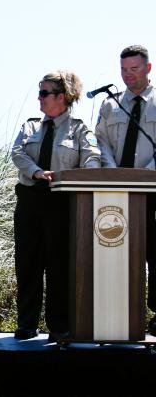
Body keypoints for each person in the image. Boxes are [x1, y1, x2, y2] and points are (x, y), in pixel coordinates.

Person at [11, 72, 101, 343]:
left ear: (61, 97)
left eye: (44, 93)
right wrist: (37, 172)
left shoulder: (79, 128)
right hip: (30, 200)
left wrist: (86, 177)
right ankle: (27, 324)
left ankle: (59, 325)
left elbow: (92, 158)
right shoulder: (31, 126)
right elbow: (17, 153)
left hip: (62, 204)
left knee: (59, 266)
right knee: (27, 264)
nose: (39, 98)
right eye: (39, 92)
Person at [95, 45, 156, 335]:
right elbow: (102, 140)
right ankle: (118, 316)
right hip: (117, 190)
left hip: (153, 189)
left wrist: (147, 173)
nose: (128, 75)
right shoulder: (110, 104)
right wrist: (112, 171)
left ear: (148, 68)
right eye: (123, 70)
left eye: (134, 69)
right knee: (118, 252)